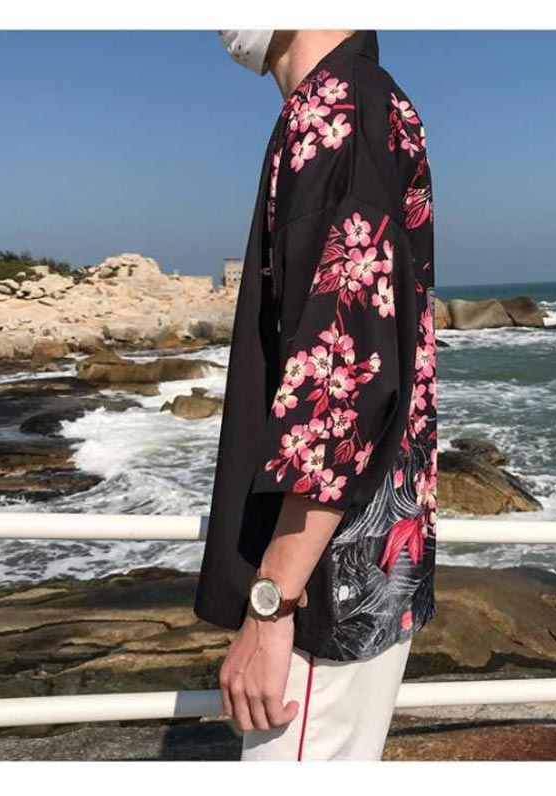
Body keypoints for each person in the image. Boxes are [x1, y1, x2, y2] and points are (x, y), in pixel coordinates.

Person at [194, 29, 437, 761]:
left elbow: (345, 384)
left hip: (321, 596)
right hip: (365, 567)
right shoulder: (368, 102)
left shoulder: (337, 110)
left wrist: (271, 606)